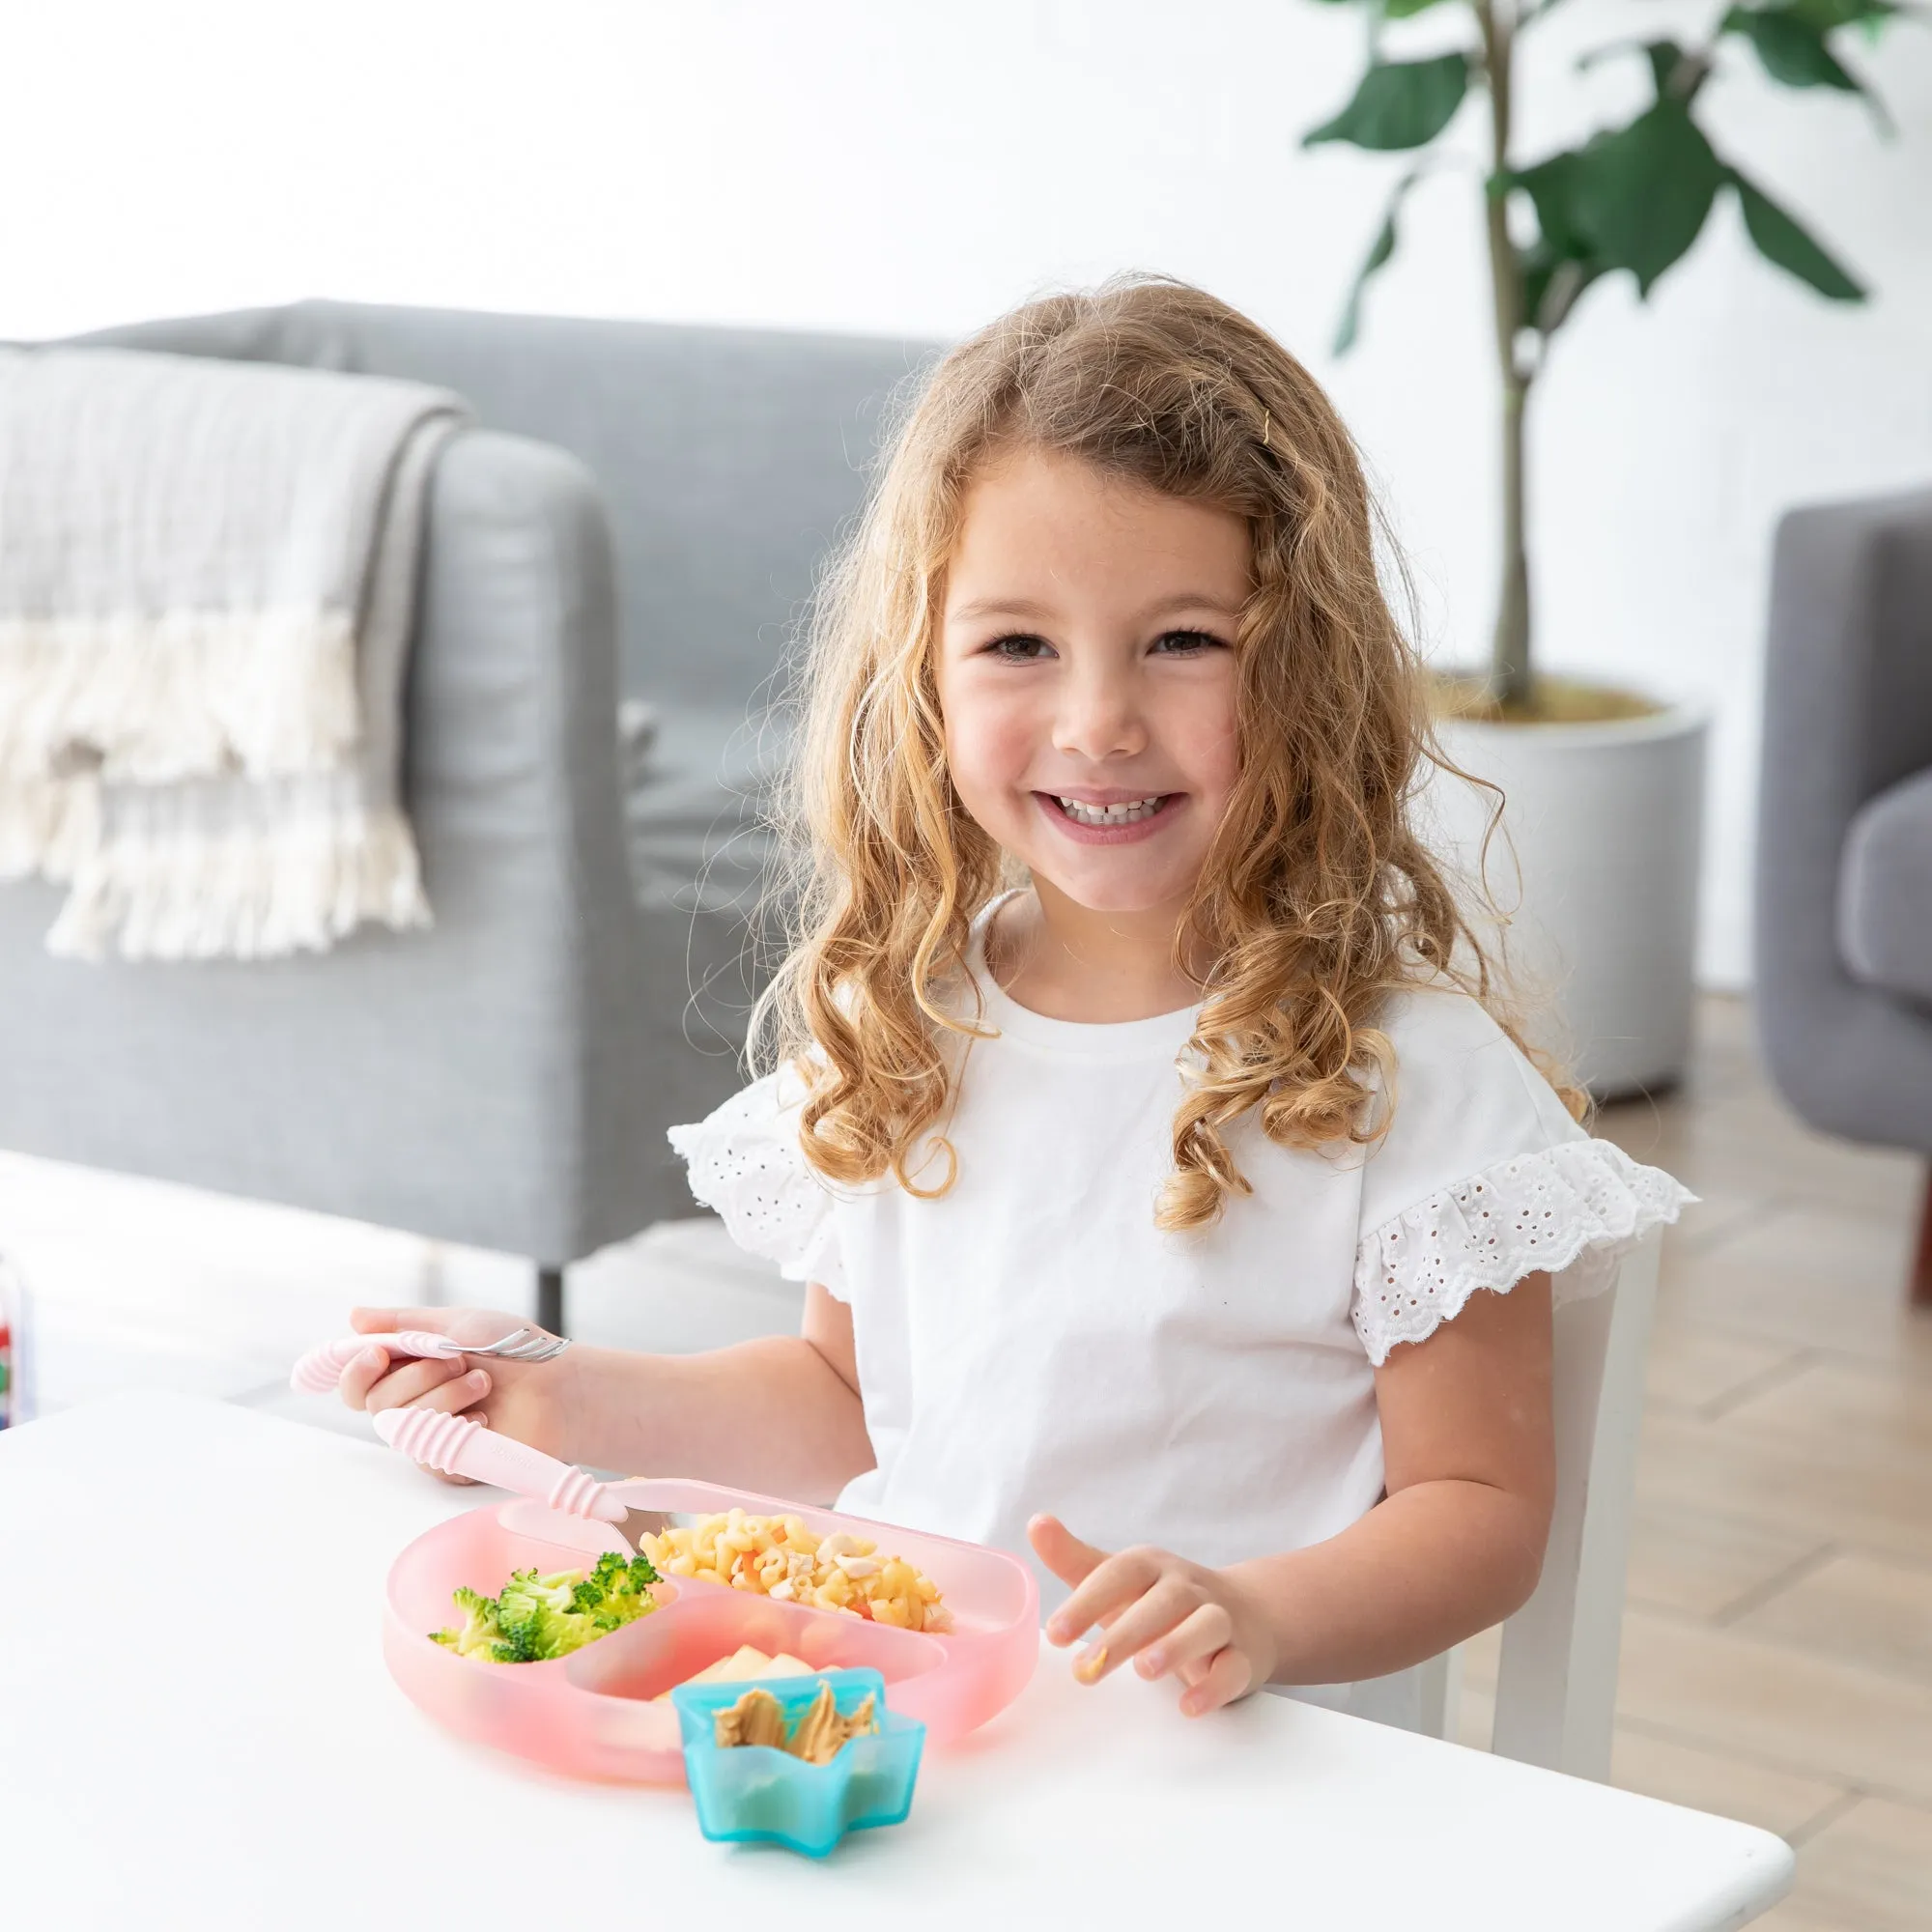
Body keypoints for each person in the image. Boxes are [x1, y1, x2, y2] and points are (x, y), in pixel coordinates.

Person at [338, 274, 1690, 1725]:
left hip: (1227, 1793)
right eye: (1018, 646)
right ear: (923, 677)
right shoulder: (908, 1024)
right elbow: (842, 1403)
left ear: (1310, 670)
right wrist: (555, 1396)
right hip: (922, 1742)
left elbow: (1480, 1509)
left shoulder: (1405, 1081)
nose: (1099, 722)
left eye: (1184, 641)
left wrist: (1258, 1613)